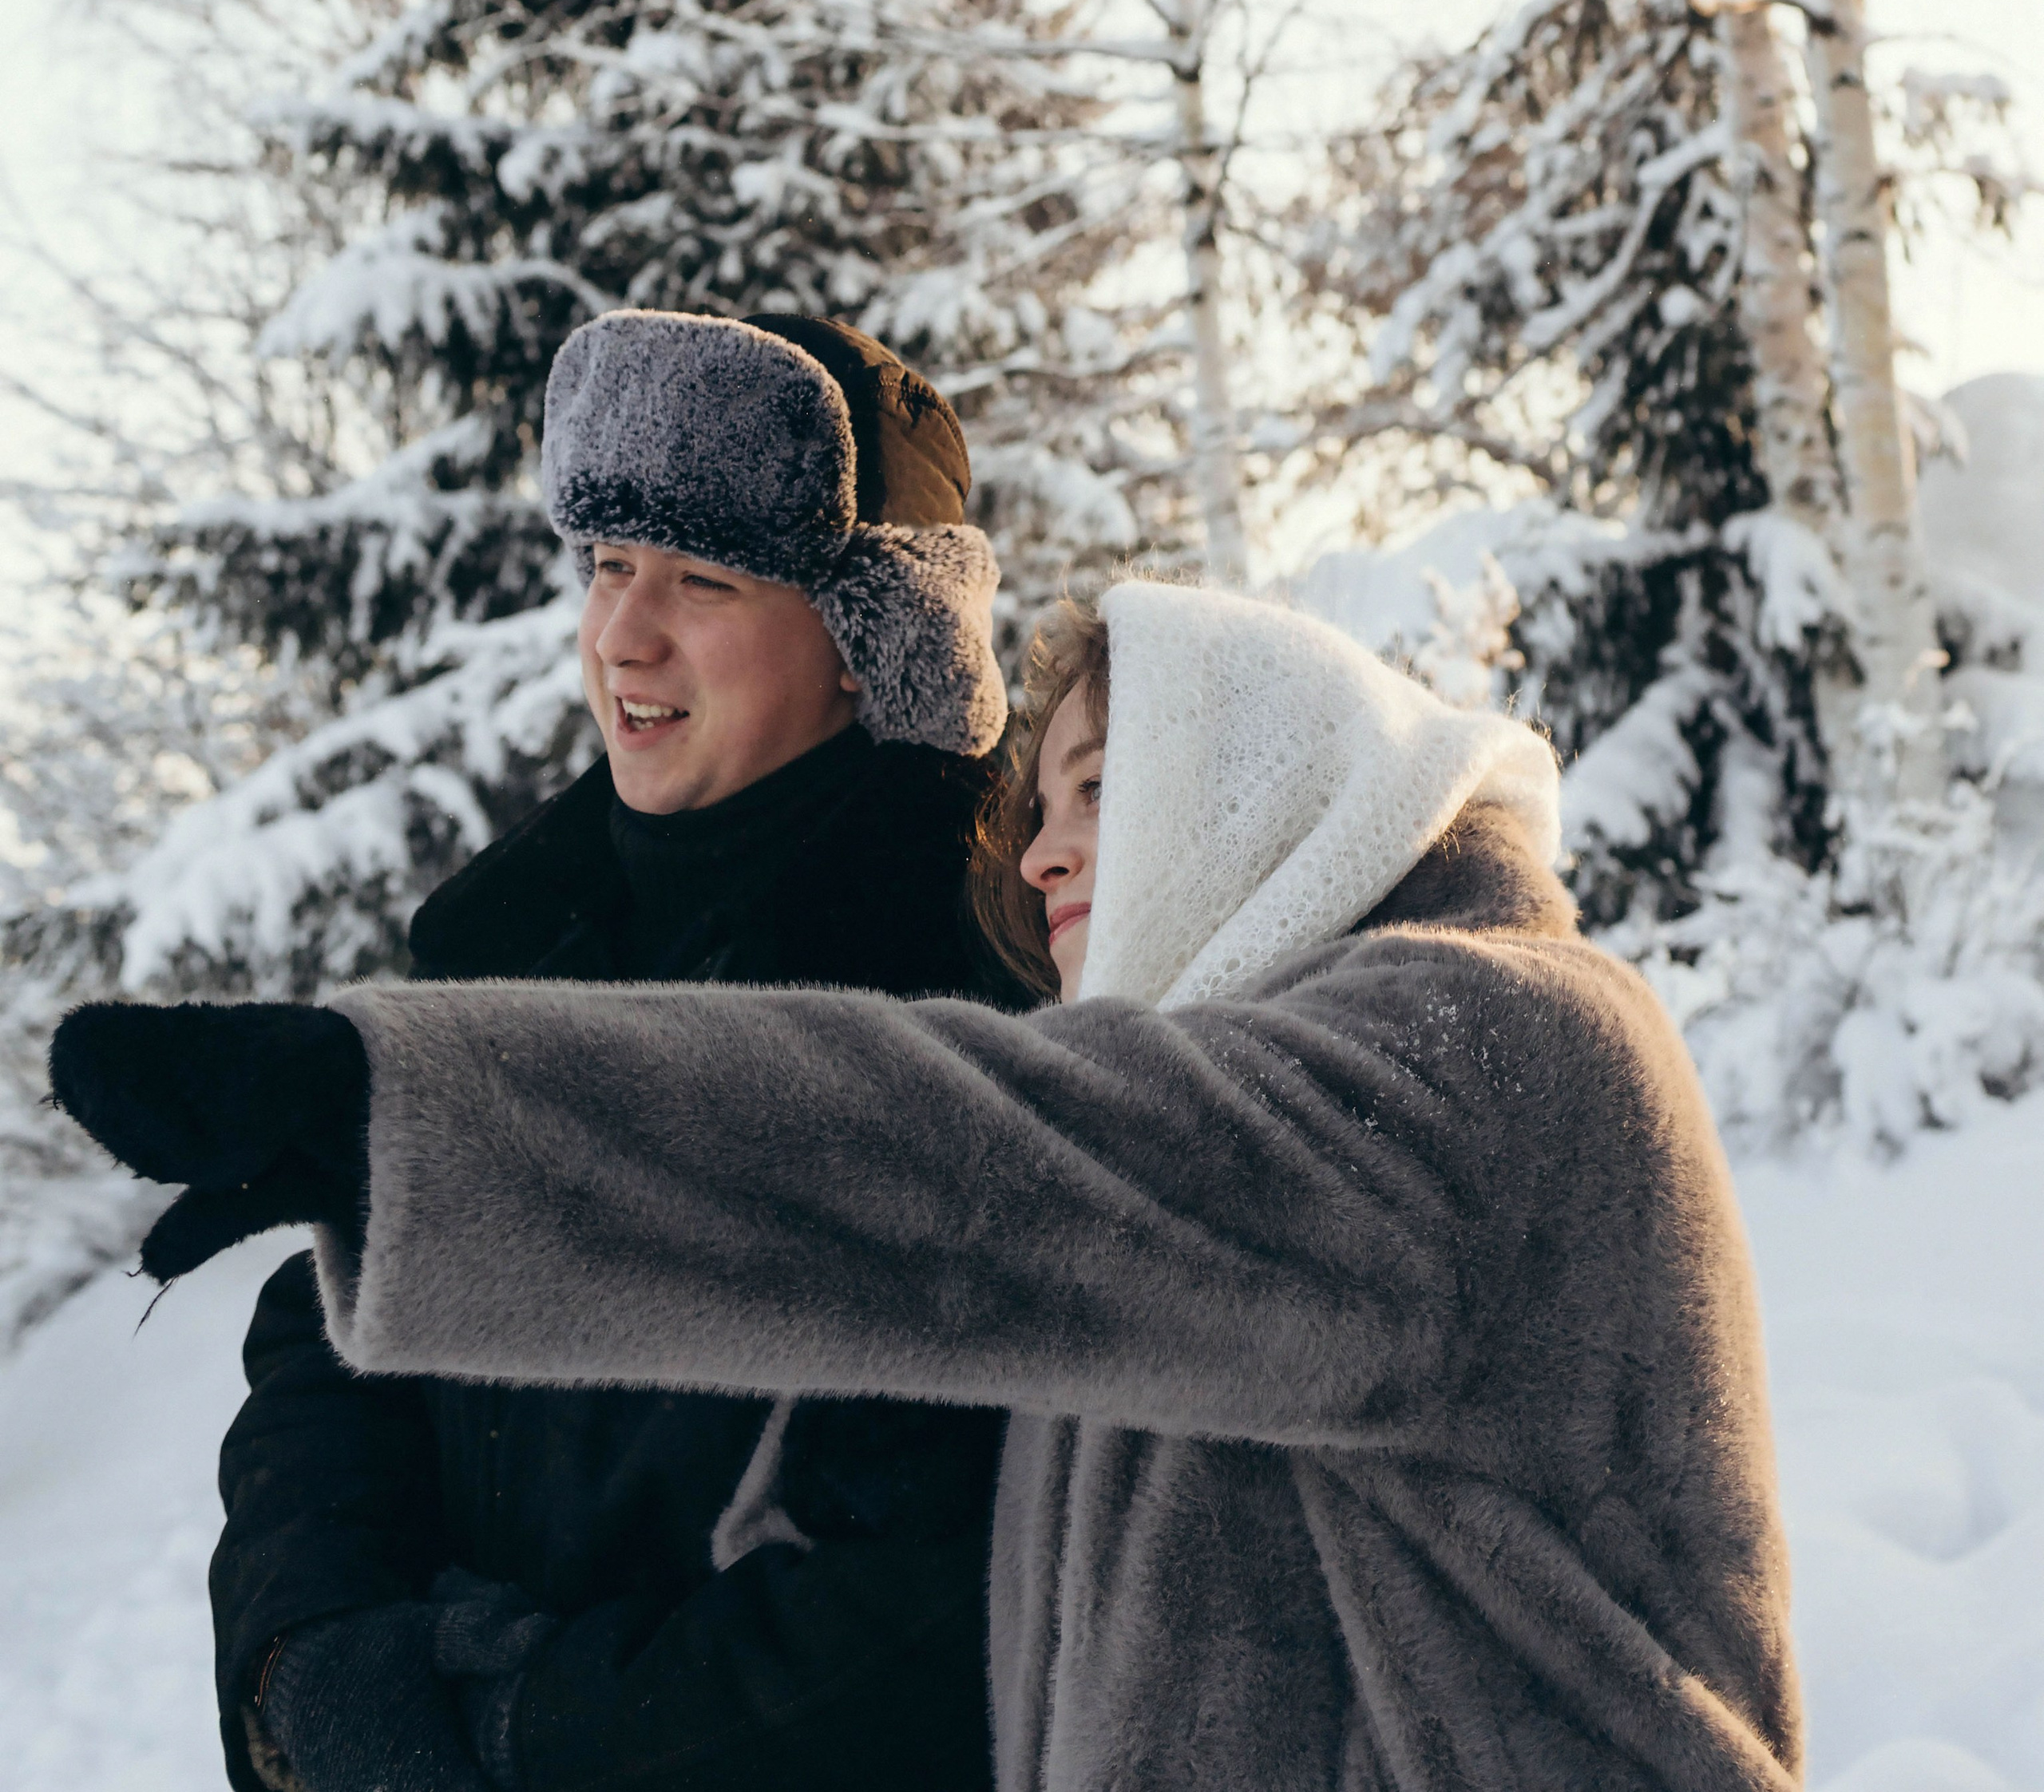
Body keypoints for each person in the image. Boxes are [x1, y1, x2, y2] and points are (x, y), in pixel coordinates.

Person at [56, 576, 1804, 1792]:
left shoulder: (1493, 1046)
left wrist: (412, 1113)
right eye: (1037, 802)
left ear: (1274, 797)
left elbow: (982, 1174)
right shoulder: (1240, 1206)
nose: (1040, 850)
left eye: (1106, 790)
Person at [188, 308, 1020, 1792]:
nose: (622, 633)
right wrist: (303, 1652)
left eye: (701, 578)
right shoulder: (506, 950)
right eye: (607, 564)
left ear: (872, 644)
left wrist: (524, 1733)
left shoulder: (962, 1013)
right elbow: (325, 1336)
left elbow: (934, 1583)